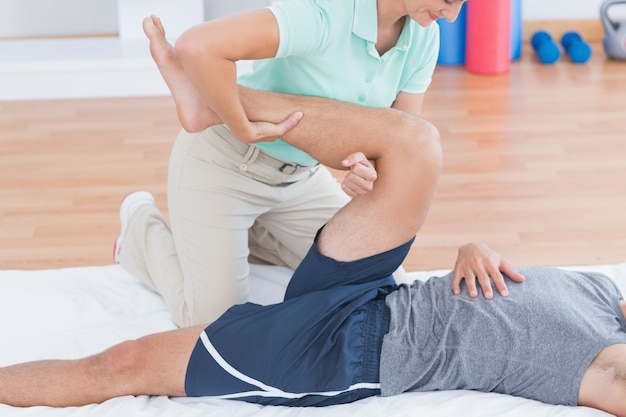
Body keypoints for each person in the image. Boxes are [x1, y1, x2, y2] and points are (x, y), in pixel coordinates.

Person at [2, 97, 626, 417]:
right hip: (385, 287)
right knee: (416, 147)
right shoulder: (600, 289)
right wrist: (473, 247)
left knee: (123, 363)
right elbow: (497, 292)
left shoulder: (609, 361)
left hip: (346, 351)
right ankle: (217, 94)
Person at [113, 0, 476, 327]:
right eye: (448, 0)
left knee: (378, 282)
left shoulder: (423, 38)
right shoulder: (326, 13)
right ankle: (139, 230)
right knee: (214, 325)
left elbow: (398, 137)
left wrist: (365, 171)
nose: (453, 15)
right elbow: (197, 45)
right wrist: (241, 126)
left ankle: (247, 231)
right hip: (224, 166)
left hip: (301, 180)